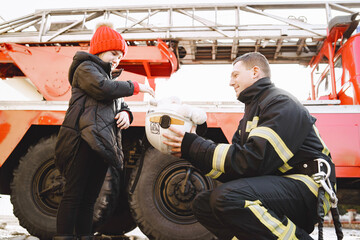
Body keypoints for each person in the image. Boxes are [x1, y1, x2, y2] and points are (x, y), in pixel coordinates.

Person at [163, 52, 338, 240]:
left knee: (228, 198)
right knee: (204, 205)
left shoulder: (280, 103)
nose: (231, 82)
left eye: (235, 75)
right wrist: (191, 152)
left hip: (308, 187)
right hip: (286, 185)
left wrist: (195, 146)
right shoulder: (252, 112)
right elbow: (236, 169)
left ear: (255, 72)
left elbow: (254, 160)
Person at [54, 22, 154, 240]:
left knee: (89, 198)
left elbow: (119, 103)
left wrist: (127, 115)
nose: (117, 58)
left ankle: (85, 236)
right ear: (99, 50)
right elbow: (103, 89)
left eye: (120, 55)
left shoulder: (109, 77)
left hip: (101, 143)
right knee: (73, 195)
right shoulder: (86, 69)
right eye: (113, 53)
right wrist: (136, 86)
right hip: (82, 140)